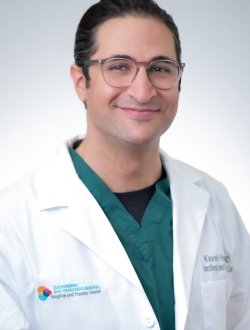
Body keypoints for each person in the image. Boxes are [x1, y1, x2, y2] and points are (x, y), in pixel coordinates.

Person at [0, 0, 249, 329]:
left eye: (160, 68)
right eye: (119, 66)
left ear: (179, 80)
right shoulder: (12, 222)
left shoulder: (215, 202)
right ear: (81, 81)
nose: (143, 91)